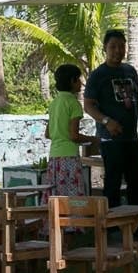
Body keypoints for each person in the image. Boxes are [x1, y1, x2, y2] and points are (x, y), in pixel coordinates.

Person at [83, 29, 138, 218]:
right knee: (112, 183)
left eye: (121, 46)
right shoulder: (98, 75)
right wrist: (106, 121)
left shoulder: (130, 71)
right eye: (113, 46)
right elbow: (88, 106)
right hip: (111, 140)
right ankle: (111, 227)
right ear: (105, 48)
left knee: (136, 182)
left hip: (132, 138)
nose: (117, 50)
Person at [45, 64, 94, 202]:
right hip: (69, 158)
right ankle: (74, 224)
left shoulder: (54, 103)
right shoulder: (73, 104)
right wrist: (93, 139)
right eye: (78, 79)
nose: (81, 83)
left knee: (57, 200)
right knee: (73, 200)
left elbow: (48, 134)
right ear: (72, 81)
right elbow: (74, 135)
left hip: (54, 158)